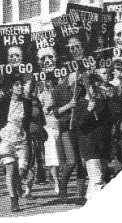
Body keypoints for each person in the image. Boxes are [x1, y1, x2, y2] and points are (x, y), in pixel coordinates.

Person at [0, 78, 33, 212]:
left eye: (21, 85)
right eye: (16, 85)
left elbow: (27, 121)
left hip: (22, 139)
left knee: (22, 171)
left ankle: (17, 186)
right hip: (7, 138)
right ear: (11, 88)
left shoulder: (27, 103)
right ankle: (14, 200)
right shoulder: (3, 102)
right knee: (10, 170)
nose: (20, 87)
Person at [75, 74, 114, 201]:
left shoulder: (103, 103)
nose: (97, 89)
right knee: (97, 179)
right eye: (94, 86)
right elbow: (80, 125)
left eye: (98, 86)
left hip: (102, 146)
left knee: (97, 178)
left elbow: (114, 117)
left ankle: (89, 201)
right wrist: (88, 110)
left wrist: (113, 98)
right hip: (89, 146)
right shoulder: (80, 104)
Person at [52, 72, 87, 204]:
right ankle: (62, 186)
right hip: (66, 128)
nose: (78, 77)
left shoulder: (82, 88)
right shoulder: (58, 90)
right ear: (69, 74)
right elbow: (56, 112)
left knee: (82, 162)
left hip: (80, 128)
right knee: (71, 161)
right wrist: (68, 106)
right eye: (75, 74)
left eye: (79, 75)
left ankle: (79, 194)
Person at [21, 76, 47, 200]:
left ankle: (28, 190)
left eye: (33, 85)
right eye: (28, 84)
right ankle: (17, 185)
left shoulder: (36, 100)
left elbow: (42, 118)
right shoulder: (19, 100)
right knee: (24, 164)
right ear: (23, 85)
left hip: (36, 136)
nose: (31, 87)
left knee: (34, 164)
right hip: (23, 137)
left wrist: (42, 129)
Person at [38, 80, 63, 195]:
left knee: (61, 157)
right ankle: (57, 181)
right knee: (54, 157)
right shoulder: (42, 95)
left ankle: (54, 178)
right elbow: (40, 112)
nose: (48, 83)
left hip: (61, 126)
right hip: (49, 127)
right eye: (46, 81)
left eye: (50, 81)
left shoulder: (59, 92)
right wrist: (48, 106)